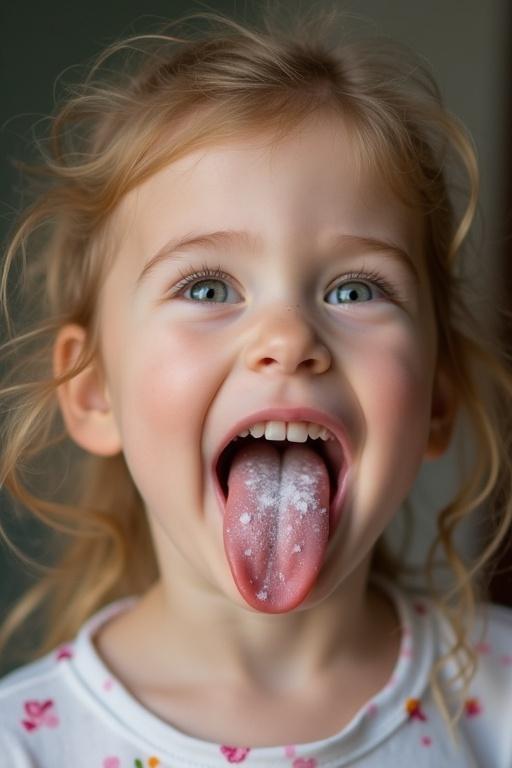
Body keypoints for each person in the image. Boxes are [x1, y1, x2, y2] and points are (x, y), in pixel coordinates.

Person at [0, 5, 511, 766]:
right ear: (94, 389)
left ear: (437, 399)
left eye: (354, 289)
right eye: (207, 288)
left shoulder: (499, 698)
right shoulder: (24, 744)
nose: (288, 339)